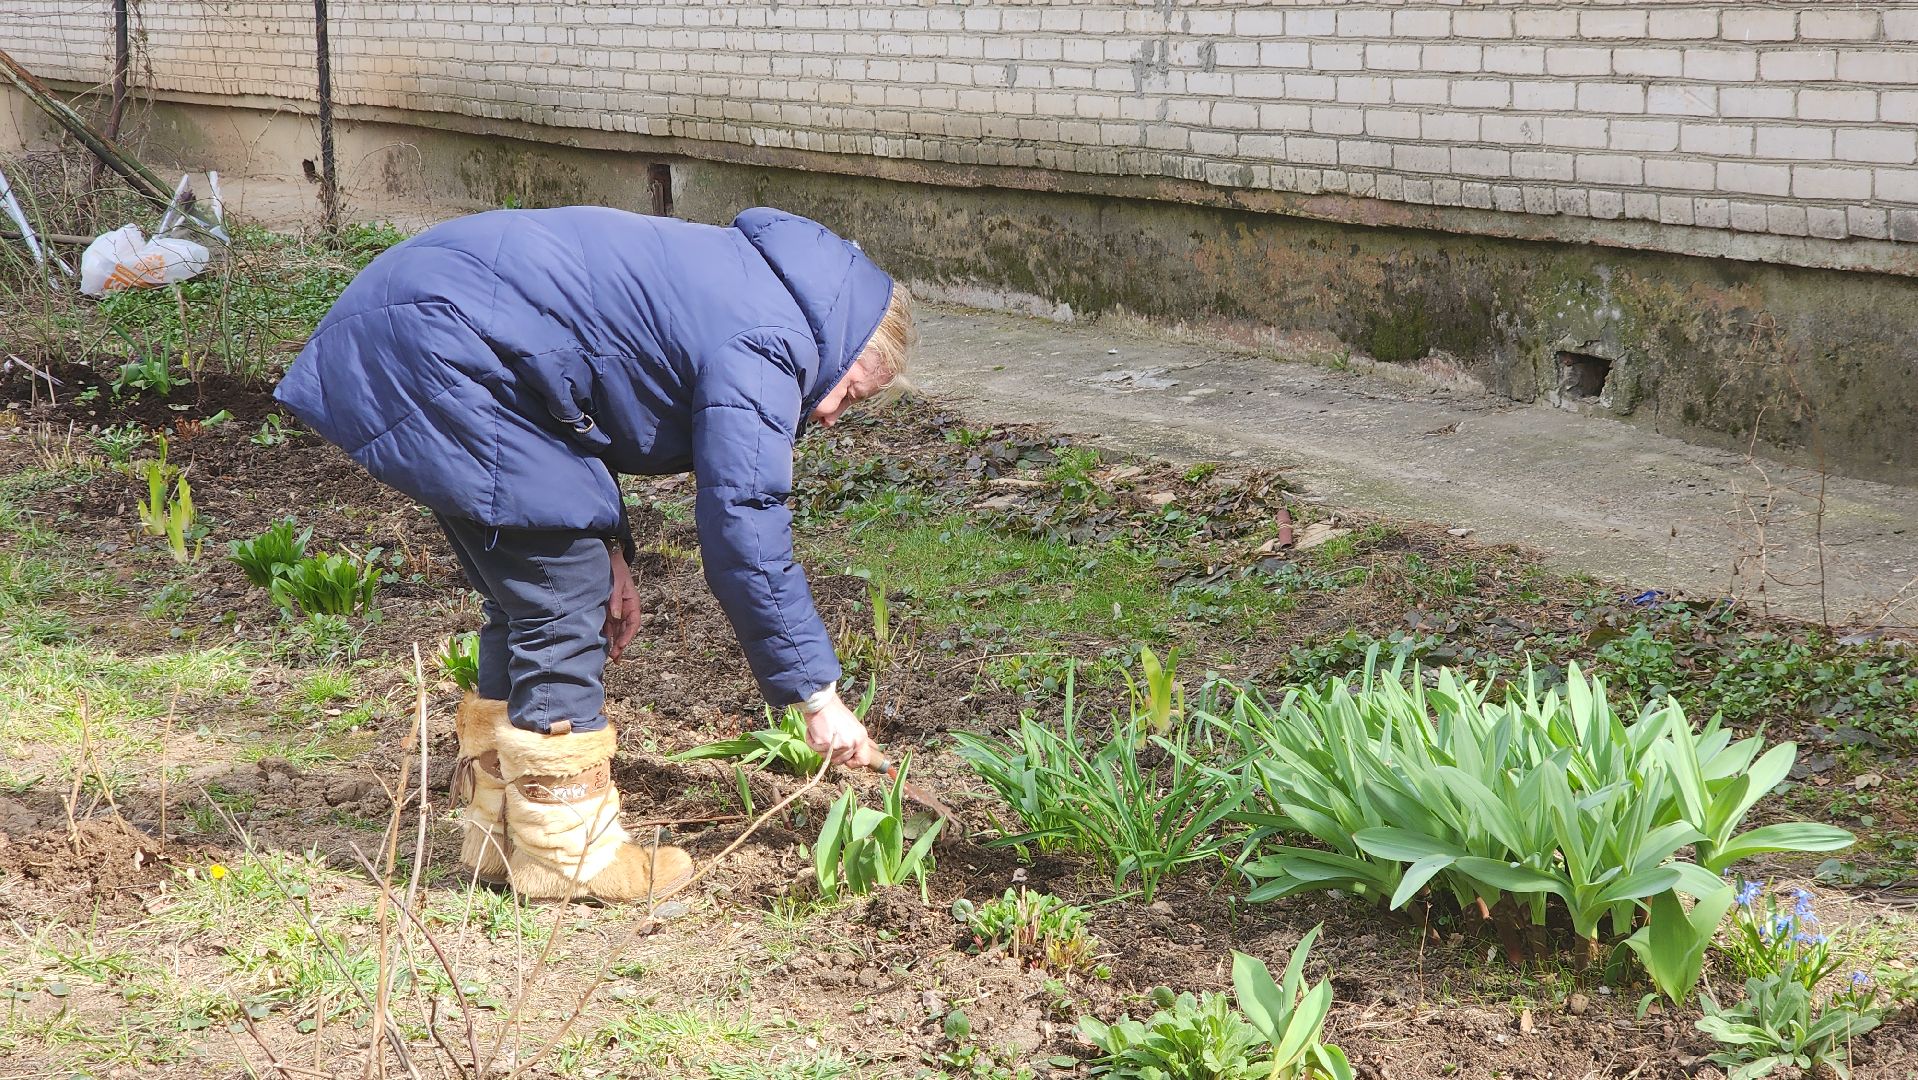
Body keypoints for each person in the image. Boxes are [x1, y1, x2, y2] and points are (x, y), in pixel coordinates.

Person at [273, 206, 914, 902]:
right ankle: (566, 852)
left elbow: (581, 387)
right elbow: (745, 526)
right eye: (849, 393)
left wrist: (610, 545)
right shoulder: (770, 342)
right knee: (562, 597)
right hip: (444, 345)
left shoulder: (753, 287)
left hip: (429, 325)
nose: (828, 415)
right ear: (845, 341)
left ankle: (497, 831)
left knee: (532, 594)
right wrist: (816, 695)